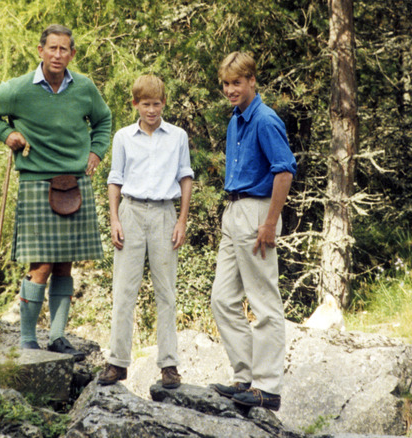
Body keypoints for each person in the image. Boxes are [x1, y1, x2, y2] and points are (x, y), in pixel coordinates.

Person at [0, 24, 112, 361]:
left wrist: (96, 152)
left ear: (72, 54)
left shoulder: (84, 88)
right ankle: (27, 340)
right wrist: (6, 134)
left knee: (65, 265)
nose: (57, 55)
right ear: (40, 51)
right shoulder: (20, 89)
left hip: (76, 182)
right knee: (42, 266)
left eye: (64, 49)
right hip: (37, 182)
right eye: (52, 48)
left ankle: (58, 337)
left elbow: (104, 119)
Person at [210, 52, 297, 411]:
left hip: (258, 211)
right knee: (222, 299)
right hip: (234, 210)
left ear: (252, 81)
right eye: (227, 84)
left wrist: (270, 223)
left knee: (263, 302)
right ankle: (245, 377)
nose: (231, 90)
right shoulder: (235, 121)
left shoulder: (265, 119)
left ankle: (268, 387)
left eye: (237, 83)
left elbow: (284, 171)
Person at [97, 75, 193, 389]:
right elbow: (115, 178)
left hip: (165, 213)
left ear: (164, 103)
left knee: (166, 291)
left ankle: (169, 365)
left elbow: (185, 178)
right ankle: (117, 362)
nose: (151, 110)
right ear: (135, 104)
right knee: (125, 289)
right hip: (131, 211)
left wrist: (182, 220)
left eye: (156, 104)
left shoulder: (177, 136)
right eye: (145, 104)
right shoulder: (124, 136)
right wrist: (114, 218)